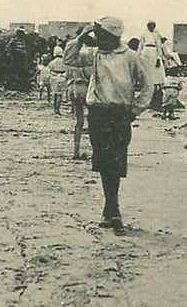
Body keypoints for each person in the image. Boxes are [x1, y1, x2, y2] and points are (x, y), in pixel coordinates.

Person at [62, 17, 152, 233]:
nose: (97, 38)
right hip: (98, 114)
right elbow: (69, 58)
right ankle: (111, 209)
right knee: (103, 163)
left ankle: (112, 208)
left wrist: (135, 110)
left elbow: (147, 86)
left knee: (117, 162)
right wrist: (82, 37)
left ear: (113, 37)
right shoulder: (94, 54)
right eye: (96, 35)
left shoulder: (131, 57)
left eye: (101, 35)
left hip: (120, 115)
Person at [137, 21, 169, 107]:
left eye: (153, 26)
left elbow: (159, 46)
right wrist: (138, 56)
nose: (151, 27)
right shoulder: (144, 34)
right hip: (145, 52)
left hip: (153, 52)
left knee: (156, 74)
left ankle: (155, 94)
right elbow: (140, 45)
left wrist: (158, 58)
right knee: (146, 72)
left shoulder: (156, 34)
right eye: (150, 26)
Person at [64, 56, 90, 160]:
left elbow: (66, 77)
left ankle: (76, 151)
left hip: (72, 88)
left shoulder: (70, 64)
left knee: (79, 121)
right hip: (83, 87)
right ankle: (95, 151)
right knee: (92, 119)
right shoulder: (86, 63)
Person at [48, 49, 67, 116]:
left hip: (54, 77)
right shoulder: (64, 62)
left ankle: (55, 110)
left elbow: (49, 70)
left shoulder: (52, 62)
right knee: (60, 95)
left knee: (55, 94)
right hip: (62, 77)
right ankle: (58, 110)